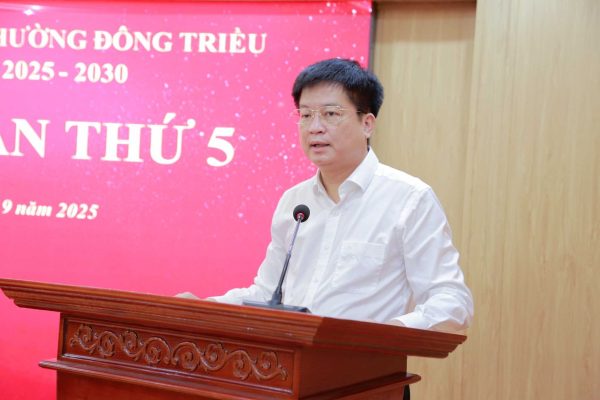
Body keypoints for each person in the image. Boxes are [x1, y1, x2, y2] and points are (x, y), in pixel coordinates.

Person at [186, 58, 473, 333]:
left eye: (331, 114)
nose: (315, 127)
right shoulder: (294, 202)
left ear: (367, 124)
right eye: (306, 115)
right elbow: (266, 293)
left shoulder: (409, 199)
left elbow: (452, 301)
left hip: (366, 363)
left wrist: (388, 334)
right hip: (292, 363)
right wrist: (205, 308)